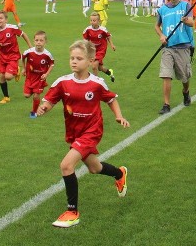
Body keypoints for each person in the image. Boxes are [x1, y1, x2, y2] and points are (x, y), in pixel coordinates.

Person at [36, 39, 130, 228]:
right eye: (72, 58)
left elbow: (111, 100)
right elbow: (50, 100)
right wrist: (43, 108)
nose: (74, 61)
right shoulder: (63, 82)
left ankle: (72, 212)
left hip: (92, 130)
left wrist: (119, 116)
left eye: (79, 58)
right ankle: (119, 174)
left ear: (90, 61)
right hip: (74, 132)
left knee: (66, 165)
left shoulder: (97, 83)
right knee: (94, 168)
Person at [155, 0, 195, 114]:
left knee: (185, 77)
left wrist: (186, 20)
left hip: (183, 46)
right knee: (166, 75)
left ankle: (186, 92)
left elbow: (192, 23)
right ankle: (166, 104)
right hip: (168, 47)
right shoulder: (163, 9)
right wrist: (161, 35)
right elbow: (157, 26)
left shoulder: (185, 6)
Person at [0, 10, 32, 104]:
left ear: (6, 20)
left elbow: (23, 34)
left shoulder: (12, 28)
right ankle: (6, 97)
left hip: (13, 56)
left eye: (1, 18)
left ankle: (16, 70)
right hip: (2, 58)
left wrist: (30, 46)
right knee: (1, 77)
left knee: (8, 77)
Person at [22, 30, 55, 118]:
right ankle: (34, 91)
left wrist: (47, 74)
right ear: (34, 41)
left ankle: (34, 112)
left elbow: (52, 64)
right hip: (30, 77)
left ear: (45, 42)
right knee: (26, 95)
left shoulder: (47, 54)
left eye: (41, 40)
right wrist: (23, 68)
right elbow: (23, 57)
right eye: (37, 40)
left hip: (40, 78)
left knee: (36, 96)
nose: (38, 42)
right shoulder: (29, 52)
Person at [82, 12, 116, 81]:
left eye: (94, 21)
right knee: (99, 68)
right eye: (91, 20)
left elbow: (108, 36)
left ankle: (96, 82)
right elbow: (85, 39)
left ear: (99, 21)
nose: (92, 22)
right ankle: (109, 72)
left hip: (101, 49)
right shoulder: (88, 30)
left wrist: (112, 45)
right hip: (93, 50)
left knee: (94, 66)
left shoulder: (102, 29)